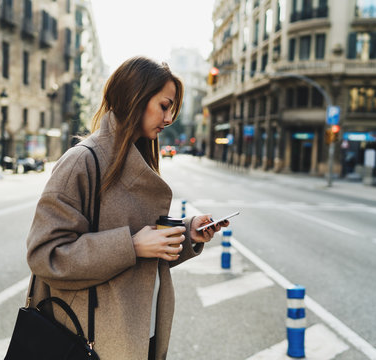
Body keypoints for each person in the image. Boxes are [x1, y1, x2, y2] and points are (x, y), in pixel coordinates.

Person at [25, 56, 229, 360]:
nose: (169, 117)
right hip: (90, 341)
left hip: (136, 331)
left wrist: (188, 233)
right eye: (164, 105)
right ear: (135, 98)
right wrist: (131, 245)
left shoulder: (137, 161)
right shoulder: (82, 161)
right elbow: (45, 255)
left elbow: (143, 251)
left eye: (172, 108)